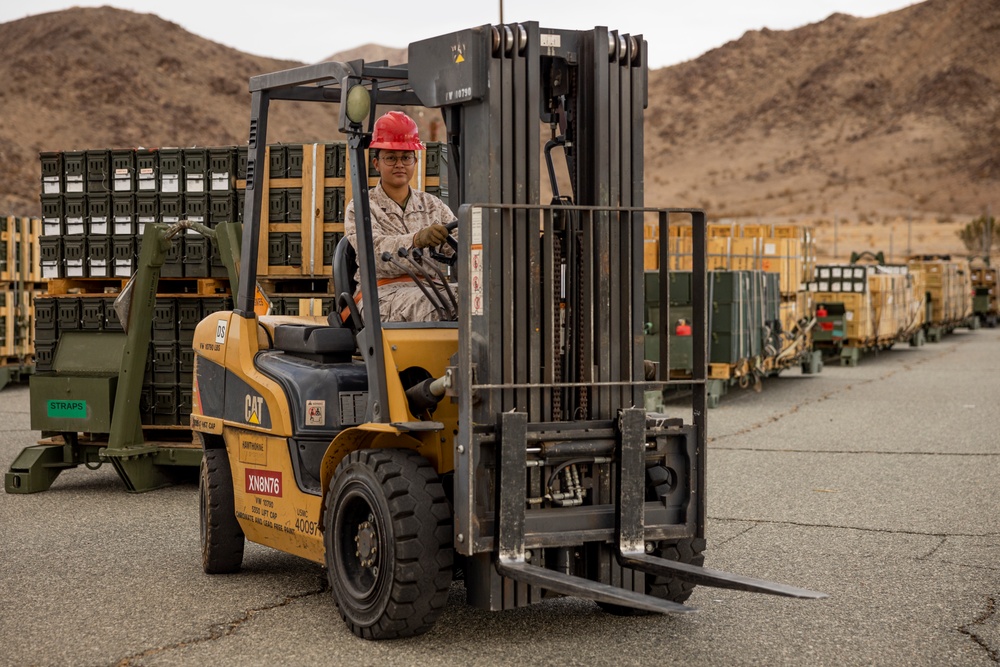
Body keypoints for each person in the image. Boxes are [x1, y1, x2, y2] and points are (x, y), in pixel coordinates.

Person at [344, 111, 456, 322]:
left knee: (477, 300)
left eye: (406, 157)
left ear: (415, 161)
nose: (399, 164)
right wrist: (416, 239)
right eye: (391, 158)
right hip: (383, 295)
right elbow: (374, 254)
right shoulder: (361, 207)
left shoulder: (433, 206)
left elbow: (459, 242)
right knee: (437, 306)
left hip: (431, 287)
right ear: (376, 163)